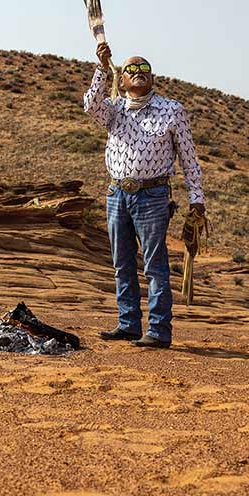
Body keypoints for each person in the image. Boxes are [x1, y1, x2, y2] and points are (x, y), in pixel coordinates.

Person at [84, 42, 206, 349]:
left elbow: (189, 158)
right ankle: (127, 324)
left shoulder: (172, 110)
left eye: (144, 69)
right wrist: (101, 68)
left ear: (152, 78)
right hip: (116, 193)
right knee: (122, 262)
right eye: (131, 69)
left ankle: (159, 331)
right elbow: (90, 105)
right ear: (122, 80)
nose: (138, 73)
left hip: (152, 195)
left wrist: (197, 200)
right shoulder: (113, 111)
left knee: (154, 264)